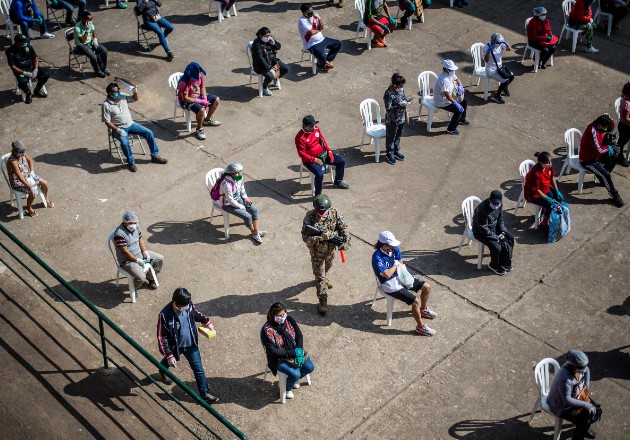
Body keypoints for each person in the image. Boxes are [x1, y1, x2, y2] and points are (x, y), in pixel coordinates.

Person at [157, 288, 220, 404]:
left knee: (198, 369)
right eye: (184, 306)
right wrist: (169, 354)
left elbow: (195, 313)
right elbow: (162, 337)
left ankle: (204, 393)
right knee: (170, 360)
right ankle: (162, 369)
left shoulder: (188, 305)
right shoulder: (164, 315)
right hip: (175, 346)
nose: (188, 307)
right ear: (176, 303)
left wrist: (206, 321)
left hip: (191, 344)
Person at [371, 231, 438, 336]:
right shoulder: (377, 257)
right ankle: (420, 327)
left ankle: (423, 310)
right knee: (415, 301)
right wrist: (396, 265)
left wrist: (397, 266)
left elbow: (400, 262)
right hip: (390, 284)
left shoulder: (394, 248)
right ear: (384, 245)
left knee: (427, 287)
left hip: (401, 276)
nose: (394, 247)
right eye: (391, 245)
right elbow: (387, 275)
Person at [301, 194, 350, 315]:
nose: (322, 213)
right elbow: (306, 238)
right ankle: (323, 301)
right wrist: (323, 236)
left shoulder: (335, 213)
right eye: (319, 211)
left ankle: (325, 277)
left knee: (327, 268)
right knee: (319, 277)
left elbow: (344, 228)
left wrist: (345, 241)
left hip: (331, 251)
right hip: (316, 252)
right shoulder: (309, 217)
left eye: (324, 211)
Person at [102, 82, 168, 172]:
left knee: (149, 133)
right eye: (116, 92)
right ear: (110, 93)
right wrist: (117, 130)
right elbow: (107, 121)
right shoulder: (106, 105)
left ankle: (155, 156)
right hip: (119, 128)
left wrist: (135, 91)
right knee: (125, 143)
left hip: (131, 124)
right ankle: (131, 162)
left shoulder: (122, 96)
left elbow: (135, 99)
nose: (118, 93)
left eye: (118, 90)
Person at [261, 302, 315, 400]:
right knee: (296, 374)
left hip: (294, 350)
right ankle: (286, 387)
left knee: (309, 367)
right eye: (279, 315)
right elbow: (273, 351)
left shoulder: (289, 320)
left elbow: (299, 336)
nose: (283, 317)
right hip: (278, 358)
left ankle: (291, 381)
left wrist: (298, 350)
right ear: (273, 316)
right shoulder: (267, 330)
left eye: (284, 314)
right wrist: (293, 353)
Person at [547, 349, 601, 440]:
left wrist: (585, 388)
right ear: (574, 365)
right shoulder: (565, 378)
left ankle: (584, 429)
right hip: (561, 406)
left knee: (596, 410)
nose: (584, 369)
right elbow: (567, 400)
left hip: (577, 396)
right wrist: (586, 404)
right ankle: (581, 433)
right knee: (585, 419)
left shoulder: (580, 368)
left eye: (585, 365)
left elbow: (587, 370)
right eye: (582, 367)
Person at [213, 162, 268, 243]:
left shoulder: (240, 178)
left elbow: (242, 188)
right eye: (236, 173)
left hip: (238, 198)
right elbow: (231, 200)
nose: (239, 174)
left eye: (240, 171)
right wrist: (242, 207)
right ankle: (254, 233)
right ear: (231, 173)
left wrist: (245, 197)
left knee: (254, 210)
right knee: (247, 217)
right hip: (227, 204)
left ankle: (256, 232)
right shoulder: (226, 184)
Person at [294, 115, 349, 195]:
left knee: (341, 161)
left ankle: (338, 182)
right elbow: (302, 154)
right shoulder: (299, 138)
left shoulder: (315, 129)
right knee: (319, 174)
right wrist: (315, 160)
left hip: (323, 154)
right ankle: (318, 195)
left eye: (314, 125)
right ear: (305, 127)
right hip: (310, 160)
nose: (314, 127)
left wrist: (328, 150)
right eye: (311, 126)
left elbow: (322, 139)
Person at [578, 114, 623, 207]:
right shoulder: (593, 131)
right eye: (605, 127)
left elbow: (611, 128)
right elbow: (599, 149)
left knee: (615, 155)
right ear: (599, 125)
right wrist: (609, 148)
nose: (606, 129)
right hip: (588, 160)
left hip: (596, 155)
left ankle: (601, 177)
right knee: (606, 174)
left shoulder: (600, 125)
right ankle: (615, 195)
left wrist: (610, 120)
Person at [113, 211, 164, 289]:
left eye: (135, 222)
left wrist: (145, 252)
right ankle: (134, 287)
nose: (133, 225)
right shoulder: (119, 234)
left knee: (159, 259)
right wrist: (137, 260)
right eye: (130, 223)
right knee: (141, 277)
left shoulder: (136, 226)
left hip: (140, 254)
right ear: (124, 222)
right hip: (128, 260)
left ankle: (150, 278)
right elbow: (125, 251)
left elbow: (140, 239)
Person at [5, 140, 53, 217]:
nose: (22, 153)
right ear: (14, 151)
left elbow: (30, 160)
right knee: (33, 192)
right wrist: (30, 187)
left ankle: (46, 198)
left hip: (28, 176)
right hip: (17, 181)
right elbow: (20, 177)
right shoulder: (12, 161)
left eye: (23, 151)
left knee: (45, 183)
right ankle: (28, 208)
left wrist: (32, 172)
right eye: (20, 151)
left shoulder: (23, 153)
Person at [472, 190, 514, 276]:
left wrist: (503, 231)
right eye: (494, 203)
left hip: (494, 229)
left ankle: (504, 262)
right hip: (480, 233)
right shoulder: (481, 210)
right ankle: (493, 265)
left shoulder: (499, 205)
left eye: (497, 204)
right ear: (490, 200)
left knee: (509, 238)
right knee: (496, 247)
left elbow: (500, 220)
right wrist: (496, 237)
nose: (496, 205)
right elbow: (483, 229)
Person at [177, 62, 221, 141]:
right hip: (186, 101)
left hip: (198, 96)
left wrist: (204, 98)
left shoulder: (199, 74)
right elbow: (185, 99)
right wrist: (200, 101)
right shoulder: (183, 82)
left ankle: (207, 120)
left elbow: (202, 86)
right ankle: (199, 128)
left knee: (216, 99)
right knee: (201, 110)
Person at [5, 33, 49, 104]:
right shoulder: (10, 51)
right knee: (22, 82)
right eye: (23, 42)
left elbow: (35, 57)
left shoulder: (28, 46)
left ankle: (37, 89)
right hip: (21, 70)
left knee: (46, 74)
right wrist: (25, 73)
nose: (25, 43)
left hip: (31, 67)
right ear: (18, 43)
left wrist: (35, 69)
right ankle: (28, 92)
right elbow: (13, 66)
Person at [524, 151, 565, 226]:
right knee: (550, 205)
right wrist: (548, 199)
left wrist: (556, 190)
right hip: (533, 195)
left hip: (545, 189)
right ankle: (544, 223)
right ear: (541, 163)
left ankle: (546, 212)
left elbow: (552, 177)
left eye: (550, 161)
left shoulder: (548, 166)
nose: (550, 164)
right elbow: (537, 191)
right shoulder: (536, 174)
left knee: (558, 199)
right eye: (548, 162)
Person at [298, 4, 341, 72]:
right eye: (309, 11)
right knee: (322, 55)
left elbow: (322, 27)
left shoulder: (314, 17)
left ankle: (328, 60)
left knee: (338, 43)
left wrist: (319, 18)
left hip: (322, 39)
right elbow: (311, 32)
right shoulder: (302, 21)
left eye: (312, 9)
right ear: (304, 13)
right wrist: (319, 30)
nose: (311, 11)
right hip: (312, 44)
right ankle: (321, 66)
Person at [433, 59, 469, 136]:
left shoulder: (450, 74)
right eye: (452, 70)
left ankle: (462, 119)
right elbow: (448, 96)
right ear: (446, 70)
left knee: (464, 102)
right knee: (458, 111)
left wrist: (460, 85)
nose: (453, 71)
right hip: (442, 102)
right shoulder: (444, 80)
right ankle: (451, 129)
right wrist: (456, 103)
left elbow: (457, 79)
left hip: (448, 98)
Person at [383, 72, 411, 165]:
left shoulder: (401, 90)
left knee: (398, 136)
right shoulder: (388, 94)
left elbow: (404, 97)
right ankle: (389, 153)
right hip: (392, 120)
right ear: (395, 85)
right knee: (391, 137)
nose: (402, 87)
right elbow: (388, 109)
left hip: (401, 118)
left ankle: (396, 150)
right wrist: (399, 106)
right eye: (400, 85)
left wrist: (406, 102)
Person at [251, 27, 288, 97]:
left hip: (272, 60)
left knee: (285, 68)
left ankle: (276, 77)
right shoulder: (256, 44)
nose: (267, 37)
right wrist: (270, 68)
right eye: (265, 36)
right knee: (270, 75)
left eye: (268, 35)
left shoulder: (269, 39)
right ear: (260, 36)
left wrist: (274, 43)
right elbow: (260, 58)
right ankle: (264, 86)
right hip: (261, 65)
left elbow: (279, 47)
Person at [74, 11, 108, 77]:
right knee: (93, 57)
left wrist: (95, 38)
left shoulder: (89, 23)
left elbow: (93, 30)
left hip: (90, 41)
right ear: (83, 19)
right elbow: (83, 41)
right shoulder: (77, 28)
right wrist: (87, 30)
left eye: (91, 18)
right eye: (89, 19)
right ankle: (98, 72)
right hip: (81, 45)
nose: (91, 20)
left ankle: (103, 68)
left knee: (104, 50)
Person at [483, 33, 513, 104]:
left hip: (499, 68)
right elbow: (486, 60)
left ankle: (504, 87)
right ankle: (497, 96)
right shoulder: (486, 48)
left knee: (511, 76)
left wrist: (506, 43)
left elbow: (509, 49)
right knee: (505, 81)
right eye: (498, 42)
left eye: (500, 42)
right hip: (491, 70)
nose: (499, 44)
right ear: (493, 41)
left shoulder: (501, 44)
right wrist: (488, 52)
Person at [617, 82, 630, 167]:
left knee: (621, 142)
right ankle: (619, 157)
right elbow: (626, 119)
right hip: (625, 127)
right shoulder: (626, 104)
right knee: (621, 143)